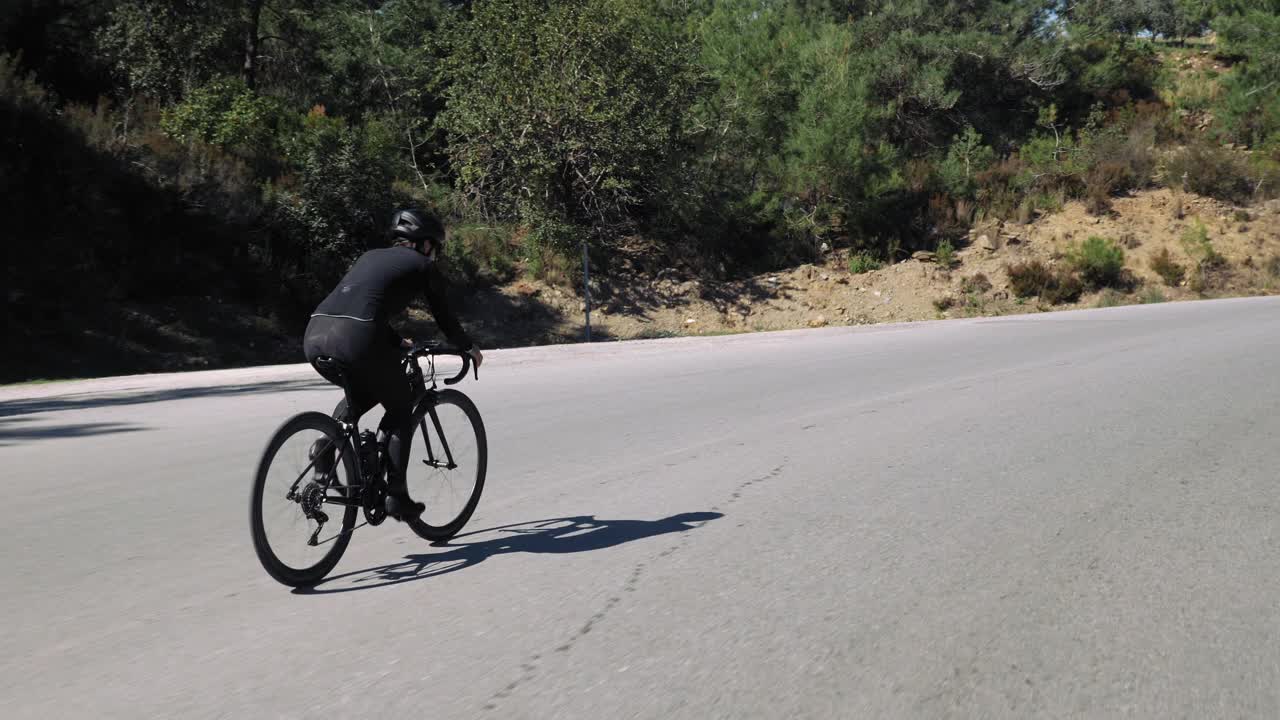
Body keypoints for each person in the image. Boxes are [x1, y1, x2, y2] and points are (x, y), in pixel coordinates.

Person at [303, 208, 483, 520]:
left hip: (316, 332)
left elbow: (362, 304)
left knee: (362, 391)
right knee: (400, 406)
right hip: (356, 337)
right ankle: (397, 496)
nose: (434, 254)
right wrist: (468, 347)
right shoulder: (423, 265)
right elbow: (443, 314)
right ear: (425, 244)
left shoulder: (370, 257)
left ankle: (326, 445)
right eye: (435, 248)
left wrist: (397, 342)